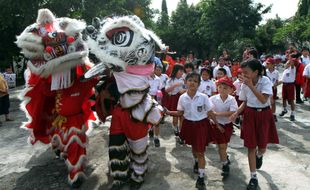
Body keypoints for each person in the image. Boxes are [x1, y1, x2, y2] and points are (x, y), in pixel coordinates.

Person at [230, 58, 279, 190]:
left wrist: (251, 85)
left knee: (262, 147)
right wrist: (236, 113)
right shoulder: (244, 85)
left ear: (256, 72)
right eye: (242, 72)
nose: (243, 75)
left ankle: (259, 155)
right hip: (250, 115)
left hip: (264, 114)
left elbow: (263, 100)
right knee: (251, 146)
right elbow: (245, 102)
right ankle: (253, 177)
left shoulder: (265, 81)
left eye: (246, 72)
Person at [165, 72, 219, 189]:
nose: (192, 83)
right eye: (190, 80)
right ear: (185, 82)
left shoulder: (204, 97)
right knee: (194, 149)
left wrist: (218, 125)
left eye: (195, 81)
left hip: (201, 125)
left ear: (199, 84)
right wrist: (169, 112)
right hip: (188, 125)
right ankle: (196, 161)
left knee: (200, 152)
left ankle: (201, 177)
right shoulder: (182, 97)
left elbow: (210, 112)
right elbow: (180, 113)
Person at [210, 76, 238, 177]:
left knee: (224, 145)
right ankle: (225, 165)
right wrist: (217, 124)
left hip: (227, 125)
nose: (222, 89)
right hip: (216, 125)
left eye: (225, 88)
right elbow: (210, 113)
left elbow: (232, 112)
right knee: (221, 146)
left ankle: (225, 157)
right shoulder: (212, 99)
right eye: (220, 87)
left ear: (231, 90)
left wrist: (218, 114)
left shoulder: (232, 99)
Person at [165, 64, 186, 138]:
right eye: (180, 71)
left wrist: (183, 90)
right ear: (176, 71)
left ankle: (181, 132)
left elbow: (185, 88)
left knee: (182, 116)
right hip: (174, 98)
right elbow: (166, 90)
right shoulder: (170, 80)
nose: (182, 72)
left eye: (182, 71)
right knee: (175, 117)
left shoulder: (183, 79)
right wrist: (175, 85)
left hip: (182, 98)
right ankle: (175, 129)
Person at [279, 53, 297, 121]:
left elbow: (292, 63)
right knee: (283, 98)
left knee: (291, 100)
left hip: (290, 85)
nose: (286, 64)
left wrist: (290, 58)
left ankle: (292, 113)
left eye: (287, 63)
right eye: (286, 63)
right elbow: (283, 79)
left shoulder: (292, 68)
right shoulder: (285, 70)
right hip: (284, 85)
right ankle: (284, 109)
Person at [148, 70, 162, 147]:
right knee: (148, 117)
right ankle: (150, 129)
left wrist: (159, 101)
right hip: (146, 100)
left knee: (157, 119)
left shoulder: (158, 79)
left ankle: (156, 138)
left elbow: (159, 90)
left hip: (156, 100)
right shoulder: (145, 78)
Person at [265, 58, 279, 122]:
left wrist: (276, 84)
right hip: (267, 88)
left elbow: (276, 80)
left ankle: (273, 114)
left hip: (273, 88)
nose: (267, 64)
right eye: (266, 63)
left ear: (273, 64)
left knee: (273, 102)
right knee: (267, 101)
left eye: (268, 63)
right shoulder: (265, 71)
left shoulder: (276, 72)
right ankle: (268, 114)